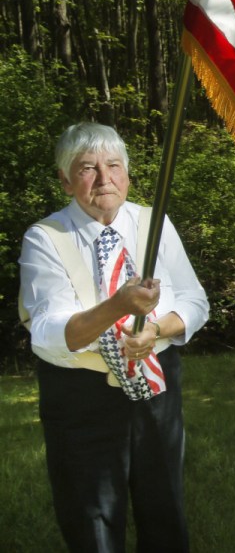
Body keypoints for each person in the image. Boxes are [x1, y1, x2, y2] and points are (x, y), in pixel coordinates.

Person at [18, 122, 209, 552]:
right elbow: (48, 335)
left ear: (127, 173)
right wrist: (119, 307)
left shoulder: (153, 223)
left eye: (114, 165)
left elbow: (196, 303)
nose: (104, 179)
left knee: (164, 506)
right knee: (92, 516)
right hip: (80, 395)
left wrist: (158, 329)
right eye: (87, 168)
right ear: (65, 180)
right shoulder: (45, 238)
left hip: (157, 385)